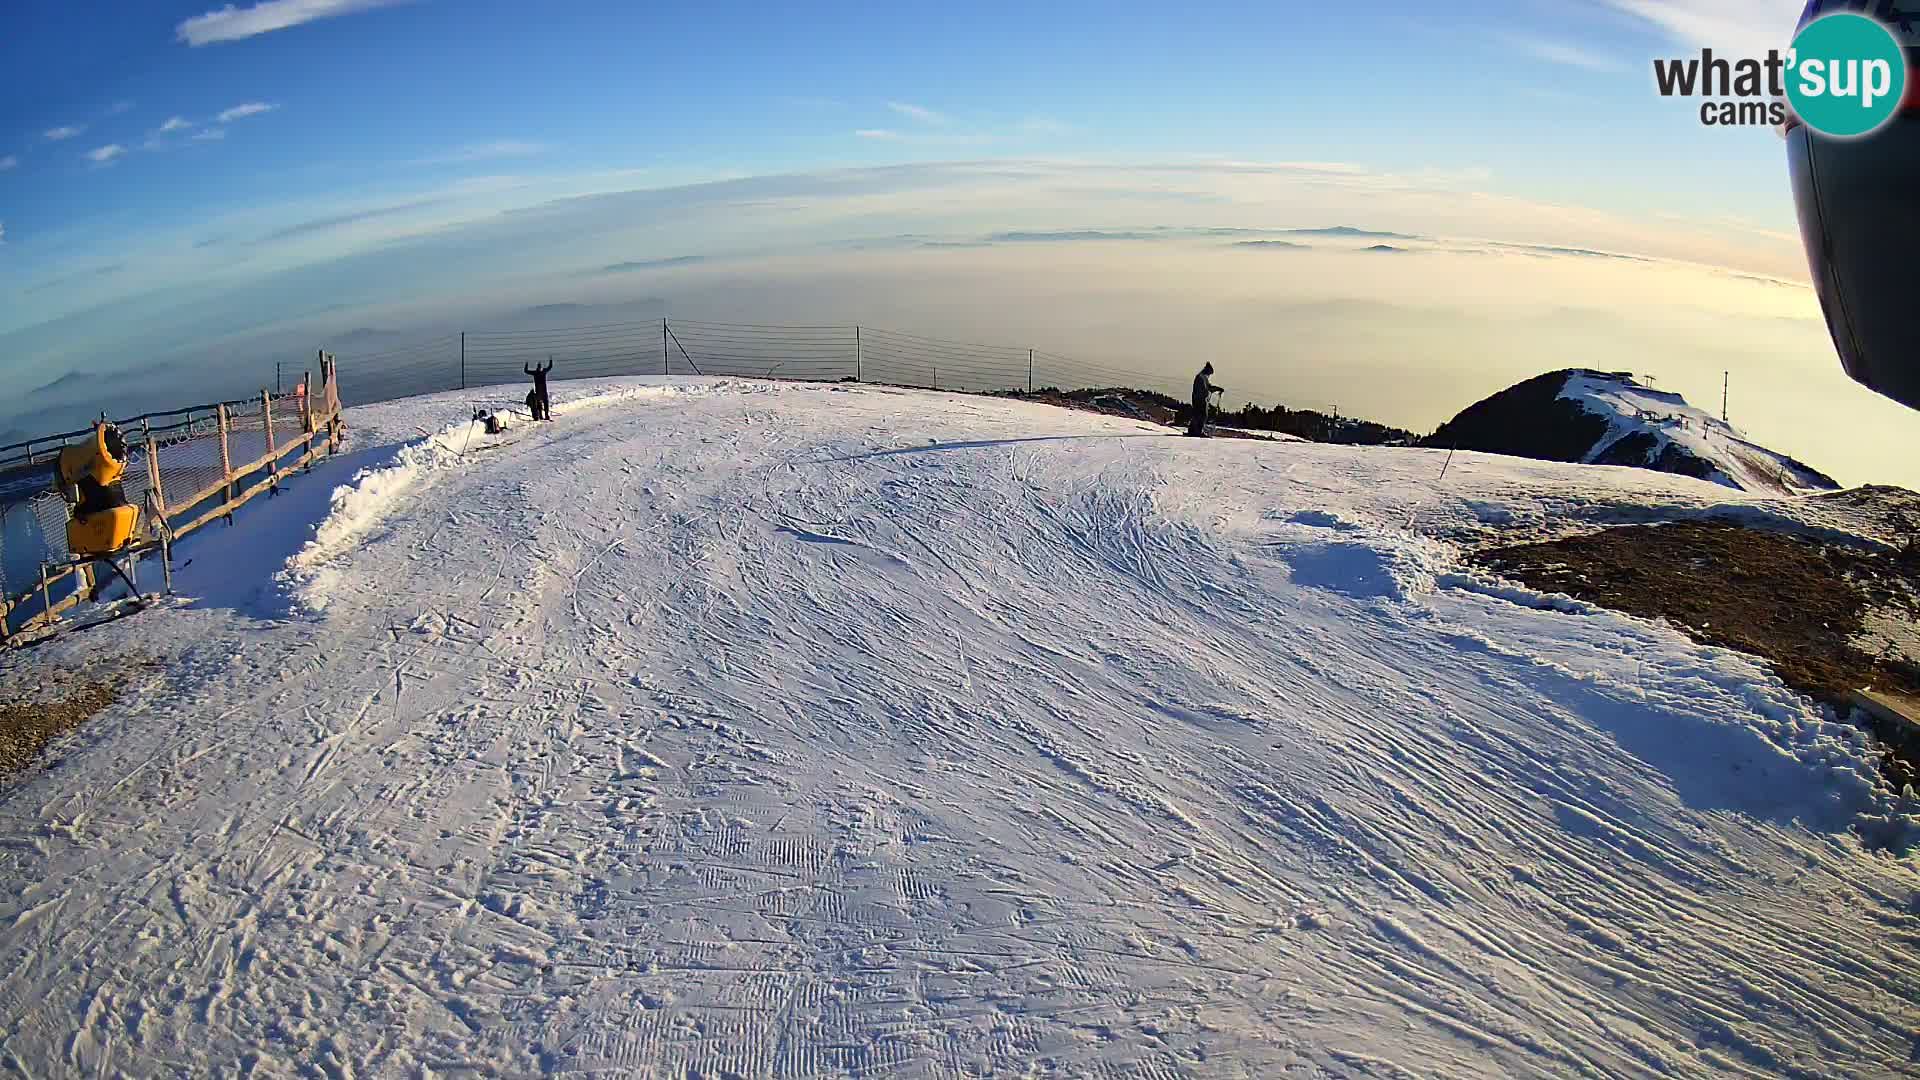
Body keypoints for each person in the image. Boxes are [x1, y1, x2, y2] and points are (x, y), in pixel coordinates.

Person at [1189, 362, 1223, 437]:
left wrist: (1218, 389)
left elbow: (1209, 387)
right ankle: (1198, 431)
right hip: (1200, 400)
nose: (1209, 375)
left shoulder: (1203, 377)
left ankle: (1192, 430)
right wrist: (1208, 392)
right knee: (1202, 415)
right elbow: (1206, 389)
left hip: (1200, 399)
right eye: (1210, 374)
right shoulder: (1201, 377)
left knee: (1197, 415)